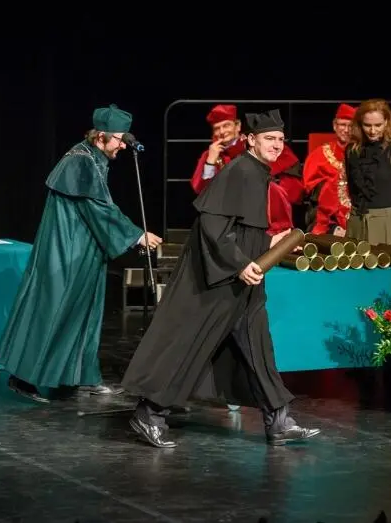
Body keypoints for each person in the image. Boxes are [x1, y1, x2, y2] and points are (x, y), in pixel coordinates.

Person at [121, 109, 321, 448]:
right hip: (221, 279)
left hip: (245, 278)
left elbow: (243, 228)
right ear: (251, 140)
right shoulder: (239, 170)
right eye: (269, 139)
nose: (276, 145)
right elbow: (212, 227)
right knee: (190, 341)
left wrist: (268, 243)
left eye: (280, 139)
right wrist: (240, 263)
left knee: (258, 347)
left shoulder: (258, 172)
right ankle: (149, 413)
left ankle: (278, 420)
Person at [0, 104, 162, 403]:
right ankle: (23, 378)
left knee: (84, 315)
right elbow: (98, 208)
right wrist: (136, 235)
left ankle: (82, 377)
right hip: (67, 251)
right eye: (119, 139)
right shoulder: (80, 162)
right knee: (54, 311)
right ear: (100, 136)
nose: (123, 145)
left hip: (85, 249)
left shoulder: (93, 158)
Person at [190, 104, 305, 235]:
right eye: (217, 128)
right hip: (226, 218)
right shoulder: (211, 155)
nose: (222, 131)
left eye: (226, 125)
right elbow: (203, 193)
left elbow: (292, 188)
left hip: (264, 216)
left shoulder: (262, 147)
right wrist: (210, 162)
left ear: (238, 126)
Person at [345, 99, 391, 244]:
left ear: (386, 123)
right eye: (367, 125)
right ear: (359, 124)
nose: (372, 131)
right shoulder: (351, 150)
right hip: (356, 223)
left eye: (378, 125)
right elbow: (352, 190)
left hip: (388, 223)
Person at [301, 103, 356, 235]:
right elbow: (312, 191)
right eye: (343, 125)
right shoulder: (320, 154)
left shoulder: (363, 154)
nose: (346, 130)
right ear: (334, 125)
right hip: (328, 217)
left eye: (351, 126)